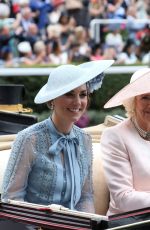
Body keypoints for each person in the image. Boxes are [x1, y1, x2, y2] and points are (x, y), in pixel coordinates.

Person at [1, 60, 114, 213]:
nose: (77, 102)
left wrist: (87, 224)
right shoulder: (29, 139)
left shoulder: (85, 140)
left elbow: (85, 197)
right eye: (69, 94)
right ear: (51, 99)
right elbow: (11, 198)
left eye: (83, 95)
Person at [100, 68, 150, 216]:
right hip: (132, 221)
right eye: (145, 97)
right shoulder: (115, 136)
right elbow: (123, 198)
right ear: (133, 101)